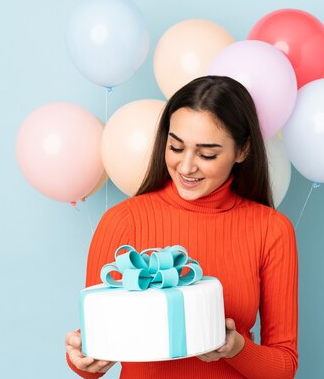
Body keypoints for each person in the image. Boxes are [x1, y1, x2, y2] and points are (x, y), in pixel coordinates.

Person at [65, 75, 298, 379]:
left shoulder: (272, 230)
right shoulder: (122, 221)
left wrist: (236, 347)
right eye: (176, 148)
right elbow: (93, 357)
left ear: (242, 151)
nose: (186, 167)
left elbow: (283, 366)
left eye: (207, 154)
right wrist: (80, 358)